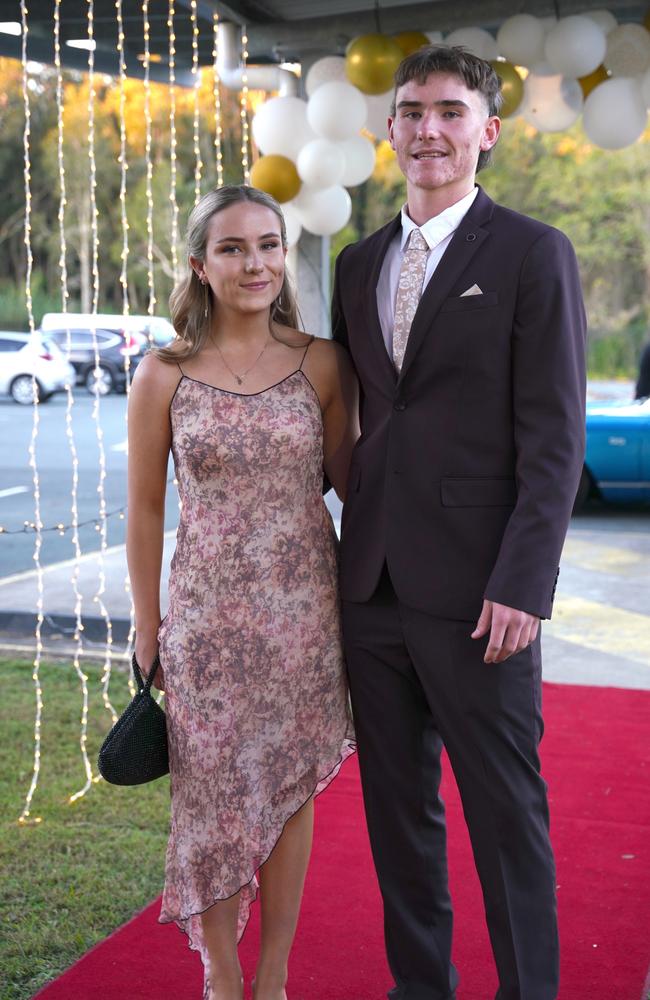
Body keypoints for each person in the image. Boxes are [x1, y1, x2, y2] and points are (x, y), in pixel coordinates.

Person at [332, 46, 587, 1000]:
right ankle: (419, 989)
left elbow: (555, 436)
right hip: (373, 592)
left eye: (450, 111)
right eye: (411, 112)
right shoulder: (359, 263)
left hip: (485, 594)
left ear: (487, 129)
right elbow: (358, 417)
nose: (428, 129)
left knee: (506, 815)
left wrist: (525, 580)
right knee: (400, 819)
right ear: (389, 129)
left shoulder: (531, 252)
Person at [126, 184, 357, 1000]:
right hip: (206, 620)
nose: (254, 262)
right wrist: (148, 626)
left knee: (291, 788)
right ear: (200, 264)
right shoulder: (162, 372)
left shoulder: (323, 361)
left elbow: (352, 484)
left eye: (267, 244)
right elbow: (147, 509)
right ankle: (222, 975)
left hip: (304, 616)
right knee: (211, 794)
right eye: (232, 248)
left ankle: (274, 979)